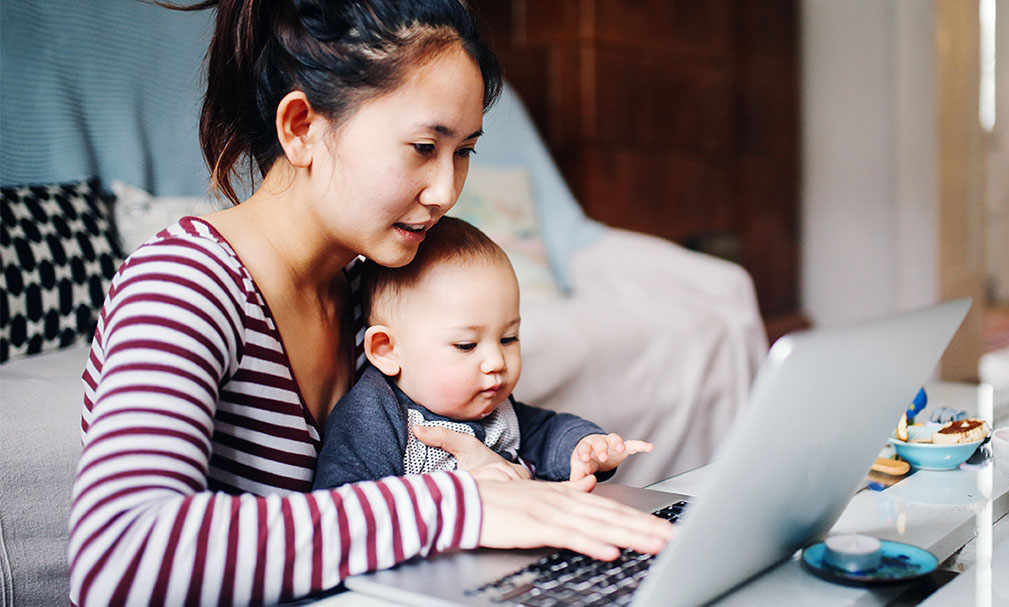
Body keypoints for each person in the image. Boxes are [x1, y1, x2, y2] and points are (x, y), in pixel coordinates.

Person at [67, 1, 673, 605]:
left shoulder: (375, 295)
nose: (445, 192)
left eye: (463, 151)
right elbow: (119, 557)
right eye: (421, 147)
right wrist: (455, 507)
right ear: (303, 127)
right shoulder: (185, 284)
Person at [313, 217, 652, 489]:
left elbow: (546, 432)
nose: (496, 362)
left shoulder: (494, 407)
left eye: (508, 338)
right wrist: (457, 491)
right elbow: (346, 508)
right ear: (387, 351)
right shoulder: (374, 417)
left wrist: (585, 447)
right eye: (466, 345)